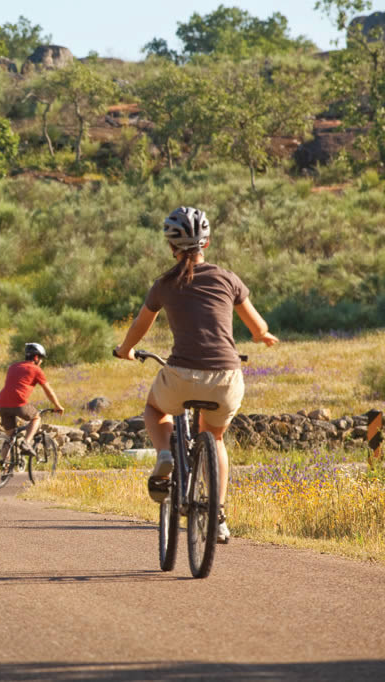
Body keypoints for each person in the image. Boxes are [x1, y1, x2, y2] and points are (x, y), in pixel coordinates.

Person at [114, 206, 278, 543]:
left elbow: (140, 326)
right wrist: (263, 337)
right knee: (215, 437)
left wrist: (126, 350)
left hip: (181, 376)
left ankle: (163, 455)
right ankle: (217, 516)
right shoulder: (228, 278)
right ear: (208, 242)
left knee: (155, 409)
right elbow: (258, 326)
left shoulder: (164, 284)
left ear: (171, 247)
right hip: (226, 379)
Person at [0, 342, 65, 455]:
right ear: (36, 357)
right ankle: (26, 443)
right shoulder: (36, 370)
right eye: (41, 358)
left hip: (2, 403)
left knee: (10, 437)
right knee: (36, 417)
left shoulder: (13, 367)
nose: (41, 362)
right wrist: (58, 406)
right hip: (18, 402)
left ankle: (5, 466)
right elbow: (49, 391)